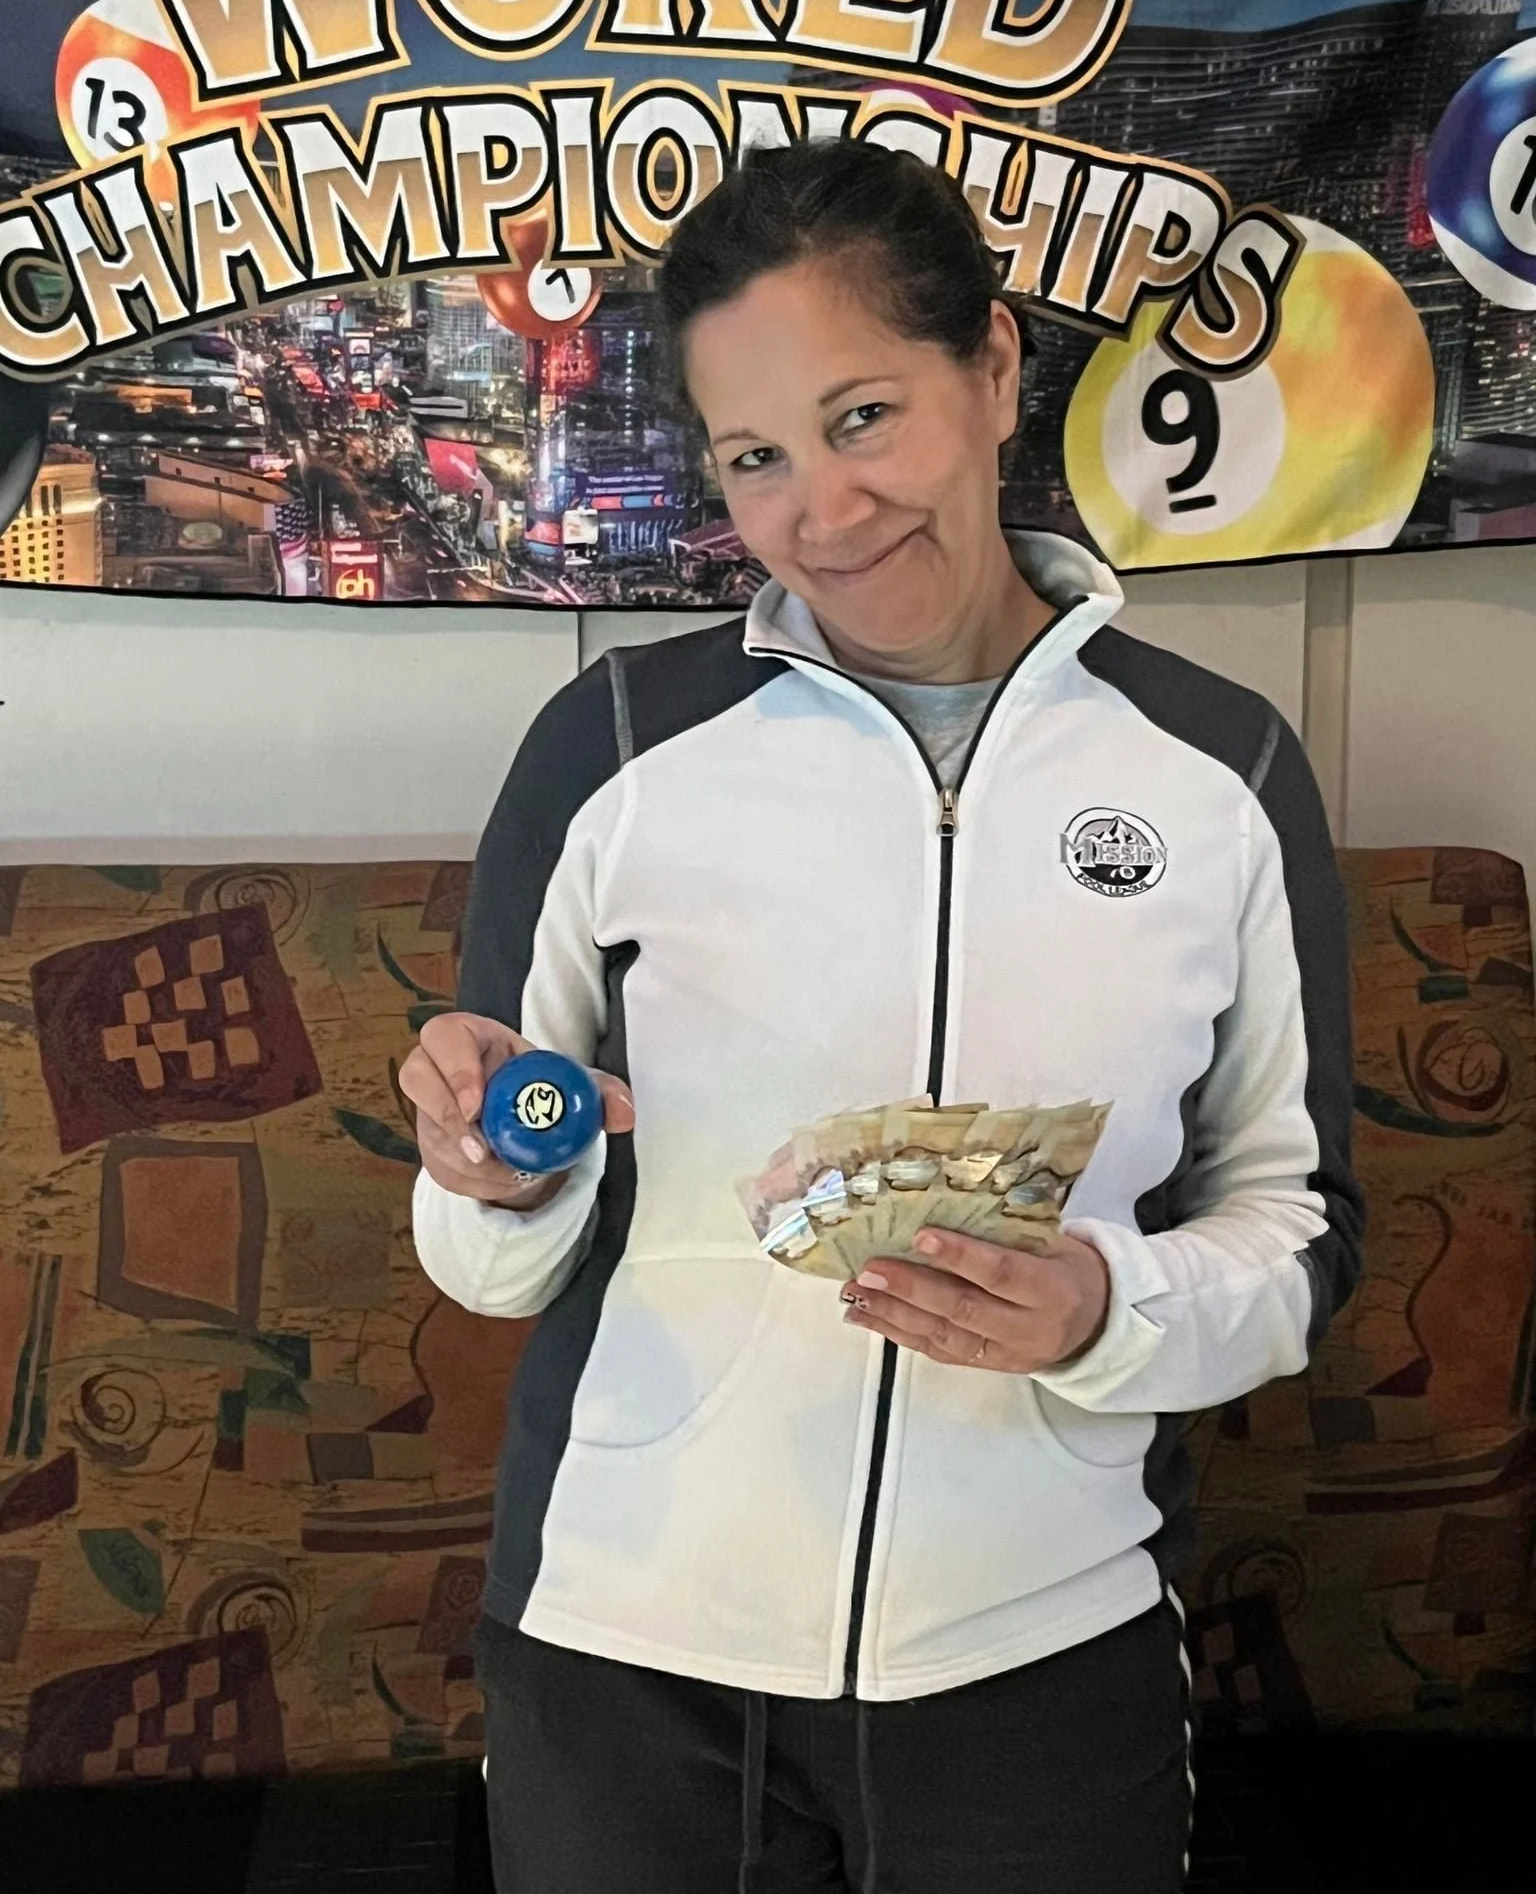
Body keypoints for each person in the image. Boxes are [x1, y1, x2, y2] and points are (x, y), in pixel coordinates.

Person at [402, 137, 1364, 1894]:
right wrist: (493, 1169)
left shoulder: (1221, 772)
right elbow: (491, 1257)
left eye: (864, 418)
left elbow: (1302, 1229)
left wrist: (1111, 1306)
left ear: (992, 370)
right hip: (627, 1644)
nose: (823, 513)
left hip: (1044, 1645)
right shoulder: (612, 749)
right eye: (755, 457)